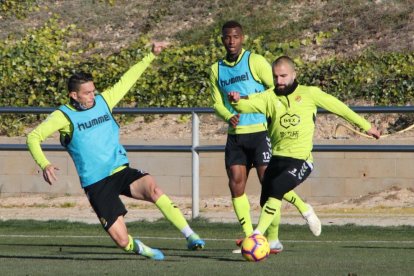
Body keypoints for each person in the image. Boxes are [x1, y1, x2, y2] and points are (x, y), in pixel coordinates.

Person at [26, 41, 205, 261]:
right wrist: (44, 164)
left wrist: (151, 55)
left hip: (119, 170)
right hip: (97, 183)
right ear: (74, 95)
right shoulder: (63, 116)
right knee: (122, 241)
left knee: (154, 189)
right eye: (87, 93)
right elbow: (33, 137)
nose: (93, 95)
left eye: (93, 91)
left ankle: (190, 235)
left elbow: (128, 80)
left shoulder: (105, 101)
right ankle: (143, 250)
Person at [228, 55, 381, 245]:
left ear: (294, 74)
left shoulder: (310, 93)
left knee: (277, 188)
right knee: (266, 201)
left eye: (283, 76)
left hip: (301, 160)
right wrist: (235, 100)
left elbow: (339, 107)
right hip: (278, 158)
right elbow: (245, 104)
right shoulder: (268, 97)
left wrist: (367, 126)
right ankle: (276, 240)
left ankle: (256, 236)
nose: (279, 81)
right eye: (275, 77)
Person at [209, 20, 321, 253]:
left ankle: (275, 237)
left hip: (260, 133)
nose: (231, 41)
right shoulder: (215, 70)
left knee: (270, 186)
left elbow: (276, 90)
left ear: (242, 38)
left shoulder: (255, 61)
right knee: (236, 185)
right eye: (227, 37)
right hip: (236, 136)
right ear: (222, 39)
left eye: (236, 37)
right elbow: (216, 102)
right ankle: (251, 237)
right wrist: (227, 115)